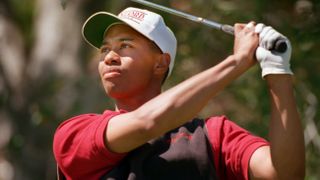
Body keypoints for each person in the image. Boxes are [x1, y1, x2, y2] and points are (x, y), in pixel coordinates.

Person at [53, 7, 305, 180]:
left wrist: (278, 71)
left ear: (161, 63)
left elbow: (283, 174)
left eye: (125, 45)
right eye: (104, 49)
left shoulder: (213, 136)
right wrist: (236, 62)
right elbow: (145, 124)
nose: (109, 57)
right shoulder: (75, 134)